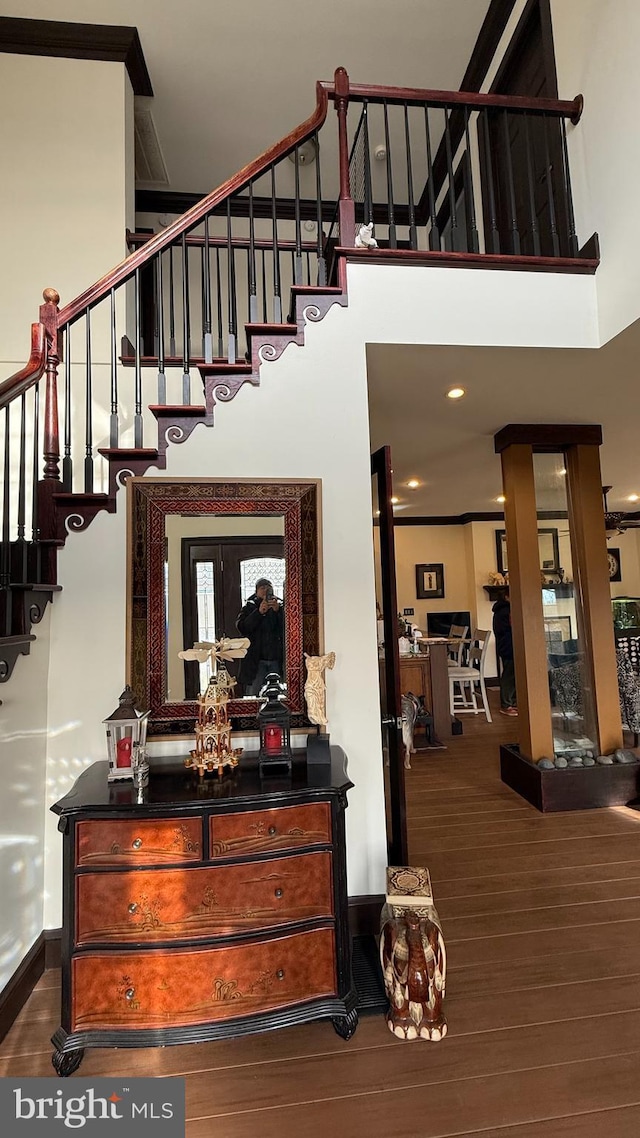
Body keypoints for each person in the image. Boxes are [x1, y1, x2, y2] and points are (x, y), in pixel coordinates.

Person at [236, 577, 285, 696]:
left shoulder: (280, 605)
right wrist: (258, 613)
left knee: (277, 694)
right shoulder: (249, 606)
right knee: (253, 695)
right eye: (262, 587)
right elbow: (242, 627)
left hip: (275, 659)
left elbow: (288, 628)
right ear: (256, 591)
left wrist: (278, 611)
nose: (266, 589)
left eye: (269, 587)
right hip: (255, 661)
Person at [492, 591, 517, 716]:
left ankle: (511, 702)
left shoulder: (500, 610)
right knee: (509, 674)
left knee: (510, 673)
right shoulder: (506, 611)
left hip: (504, 645)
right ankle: (506, 704)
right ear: (506, 597)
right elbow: (514, 627)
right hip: (509, 645)